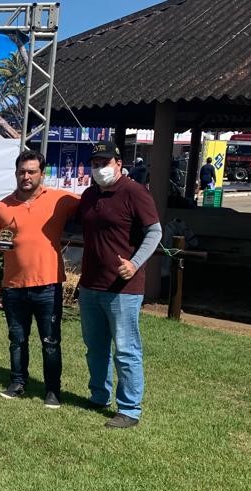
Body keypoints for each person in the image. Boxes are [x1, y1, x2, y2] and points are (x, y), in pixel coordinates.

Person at [0, 150, 80, 408]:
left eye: (31, 171)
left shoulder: (62, 199)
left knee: (50, 341)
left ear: (42, 173)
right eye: (21, 172)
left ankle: (52, 391)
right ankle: (17, 382)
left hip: (48, 284)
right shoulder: (3, 206)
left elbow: (92, 210)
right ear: (16, 173)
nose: (26, 176)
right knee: (17, 339)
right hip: (14, 285)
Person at [77, 140, 162, 428]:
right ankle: (99, 396)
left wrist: (135, 263)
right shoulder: (89, 195)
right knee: (95, 347)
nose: (99, 168)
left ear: (118, 164)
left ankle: (129, 409)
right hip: (90, 286)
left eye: (105, 163)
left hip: (123, 289)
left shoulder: (134, 192)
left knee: (126, 350)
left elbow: (155, 232)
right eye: (95, 164)